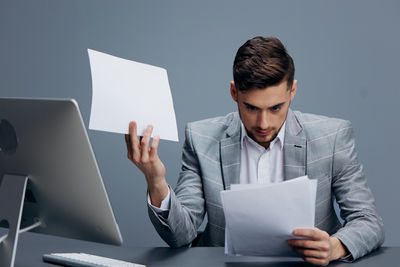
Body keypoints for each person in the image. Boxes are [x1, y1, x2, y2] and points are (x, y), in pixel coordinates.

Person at [125, 36, 384, 266]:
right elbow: (181, 236)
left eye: (275, 108)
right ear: (234, 92)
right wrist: (156, 181)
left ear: (292, 90)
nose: (263, 123)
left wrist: (335, 248)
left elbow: (369, 222)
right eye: (251, 108)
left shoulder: (333, 137)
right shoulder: (201, 139)